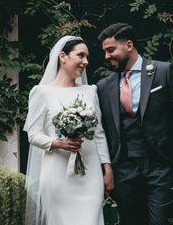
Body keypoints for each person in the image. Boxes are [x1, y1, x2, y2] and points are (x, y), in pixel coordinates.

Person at [96, 23, 173, 225]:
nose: (106, 56)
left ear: (129, 45)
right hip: (124, 171)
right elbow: (99, 131)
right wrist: (106, 169)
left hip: (161, 167)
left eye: (111, 50)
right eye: (105, 51)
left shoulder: (163, 72)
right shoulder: (104, 87)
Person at [24, 36, 114, 225]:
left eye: (87, 57)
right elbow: (33, 134)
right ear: (63, 56)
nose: (86, 62)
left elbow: (98, 134)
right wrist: (58, 143)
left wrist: (107, 168)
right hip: (57, 173)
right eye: (80, 55)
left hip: (90, 175)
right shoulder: (41, 92)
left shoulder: (90, 91)